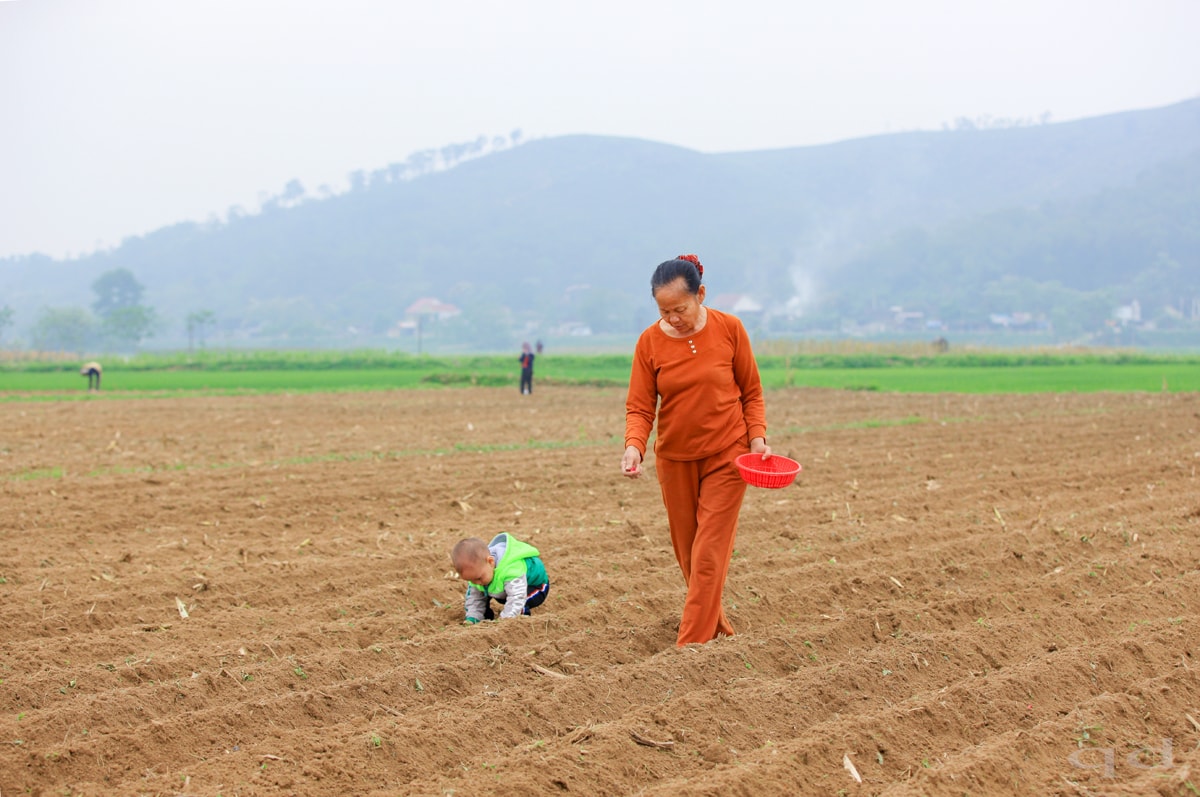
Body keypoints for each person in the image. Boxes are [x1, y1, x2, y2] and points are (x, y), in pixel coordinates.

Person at [621, 254, 771, 647]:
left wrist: (757, 437)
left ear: (701, 294)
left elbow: (751, 392)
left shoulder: (730, 329)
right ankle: (719, 631)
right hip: (675, 461)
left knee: (708, 555)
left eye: (680, 309)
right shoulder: (649, 343)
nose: (672, 318)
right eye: (663, 310)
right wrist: (634, 446)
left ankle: (688, 649)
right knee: (689, 558)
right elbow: (639, 406)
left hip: (728, 454)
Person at [450, 533, 550, 623]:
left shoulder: (510, 569)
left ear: (490, 562)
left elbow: (517, 597)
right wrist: (472, 618)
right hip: (505, 589)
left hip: (535, 586)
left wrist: (505, 620)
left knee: (519, 604)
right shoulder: (478, 573)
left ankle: (520, 621)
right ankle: (484, 617)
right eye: (471, 580)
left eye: (479, 578)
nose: (477, 583)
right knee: (479, 592)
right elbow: (474, 599)